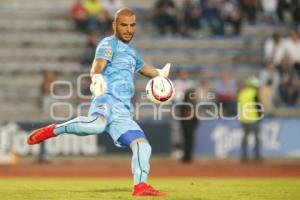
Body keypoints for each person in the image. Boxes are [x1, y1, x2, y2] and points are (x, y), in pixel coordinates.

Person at [27, 8, 170, 196]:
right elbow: (98, 65)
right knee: (96, 126)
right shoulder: (108, 44)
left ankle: (141, 186)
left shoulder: (132, 53)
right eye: (124, 25)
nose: (128, 29)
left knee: (143, 146)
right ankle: (53, 130)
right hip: (106, 99)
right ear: (114, 25)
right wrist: (97, 78)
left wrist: (160, 74)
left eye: (132, 25)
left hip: (123, 111)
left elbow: (144, 69)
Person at [238, 76, 263, 162]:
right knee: (256, 138)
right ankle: (257, 156)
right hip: (253, 118)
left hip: (243, 119)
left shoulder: (241, 92)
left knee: (245, 138)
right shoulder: (254, 93)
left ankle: (244, 156)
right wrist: (260, 115)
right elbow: (258, 106)